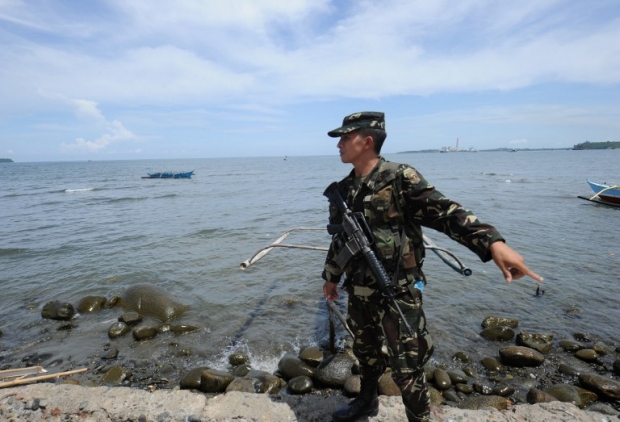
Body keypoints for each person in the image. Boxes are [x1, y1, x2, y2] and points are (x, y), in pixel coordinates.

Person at [321, 111, 543, 422]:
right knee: (366, 354)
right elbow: (339, 242)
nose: (339, 144)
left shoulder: (400, 178)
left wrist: (493, 243)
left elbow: (447, 213)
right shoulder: (343, 191)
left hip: (399, 290)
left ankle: (420, 418)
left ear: (367, 141)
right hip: (359, 291)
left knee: (408, 363)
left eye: (346, 137)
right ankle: (366, 403)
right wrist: (331, 277)